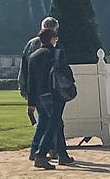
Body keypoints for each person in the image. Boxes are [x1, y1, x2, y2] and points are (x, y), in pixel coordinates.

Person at [24, 23, 75, 169]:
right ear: (52, 38)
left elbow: (31, 82)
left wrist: (31, 102)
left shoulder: (33, 56)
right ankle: (41, 154)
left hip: (40, 95)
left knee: (50, 122)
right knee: (54, 123)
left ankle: (60, 154)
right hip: (55, 93)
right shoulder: (57, 53)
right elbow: (66, 72)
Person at [18, 16, 63, 163]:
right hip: (47, 90)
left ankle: (37, 149)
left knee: (43, 120)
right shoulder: (51, 48)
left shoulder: (31, 45)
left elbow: (25, 68)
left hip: (34, 89)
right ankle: (49, 150)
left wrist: (25, 89)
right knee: (53, 121)